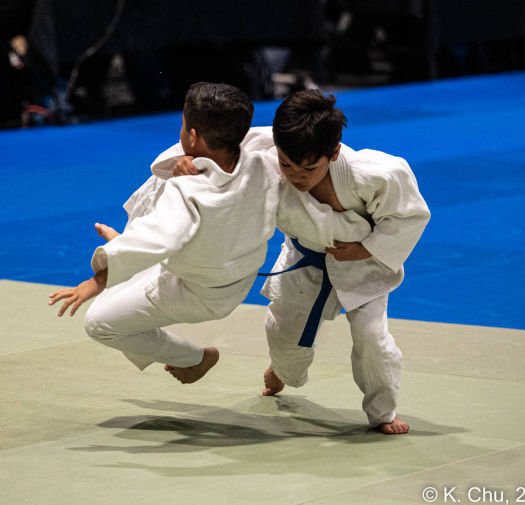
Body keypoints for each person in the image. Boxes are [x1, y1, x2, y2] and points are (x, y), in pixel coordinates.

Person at [49, 82, 371, 385]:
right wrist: (368, 237)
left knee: (99, 323)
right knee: (158, 222)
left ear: (192, 135)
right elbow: (312, 206)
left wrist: (98, 279)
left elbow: (161, 238)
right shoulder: (266, 165)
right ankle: (127, 251)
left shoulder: (188, 189)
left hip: (190, 290)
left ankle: (194, 358)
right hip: (232, 281)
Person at [176, 90, 429, 434]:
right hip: (304, 256)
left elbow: (409, 216)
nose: (296, 176)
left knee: (372, 337)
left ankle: (383, 411)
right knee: (285, 339)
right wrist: (188, 161)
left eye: (309, 168)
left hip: (363, 263)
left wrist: (366, 249)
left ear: (333, 152)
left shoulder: (377, 173)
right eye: (287, 165)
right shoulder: (266, 147)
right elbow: (216, 147)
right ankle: (282, 370)